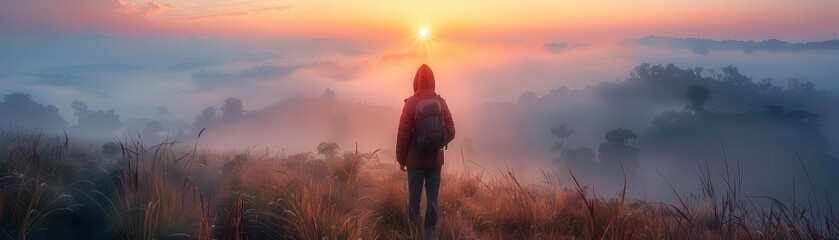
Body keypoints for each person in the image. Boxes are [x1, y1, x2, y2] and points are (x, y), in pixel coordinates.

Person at [396, 64, 455, 239]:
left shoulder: (411, 104)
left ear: (415, 81)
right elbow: (452, 131)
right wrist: (436, 144)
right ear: (433, 81)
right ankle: (430, 233)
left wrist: (401, 160)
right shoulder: (440, 102)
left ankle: (415, 233)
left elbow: (403, 136)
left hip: (414, 163)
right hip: (435, 162)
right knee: (432, 200)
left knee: (414, 200)